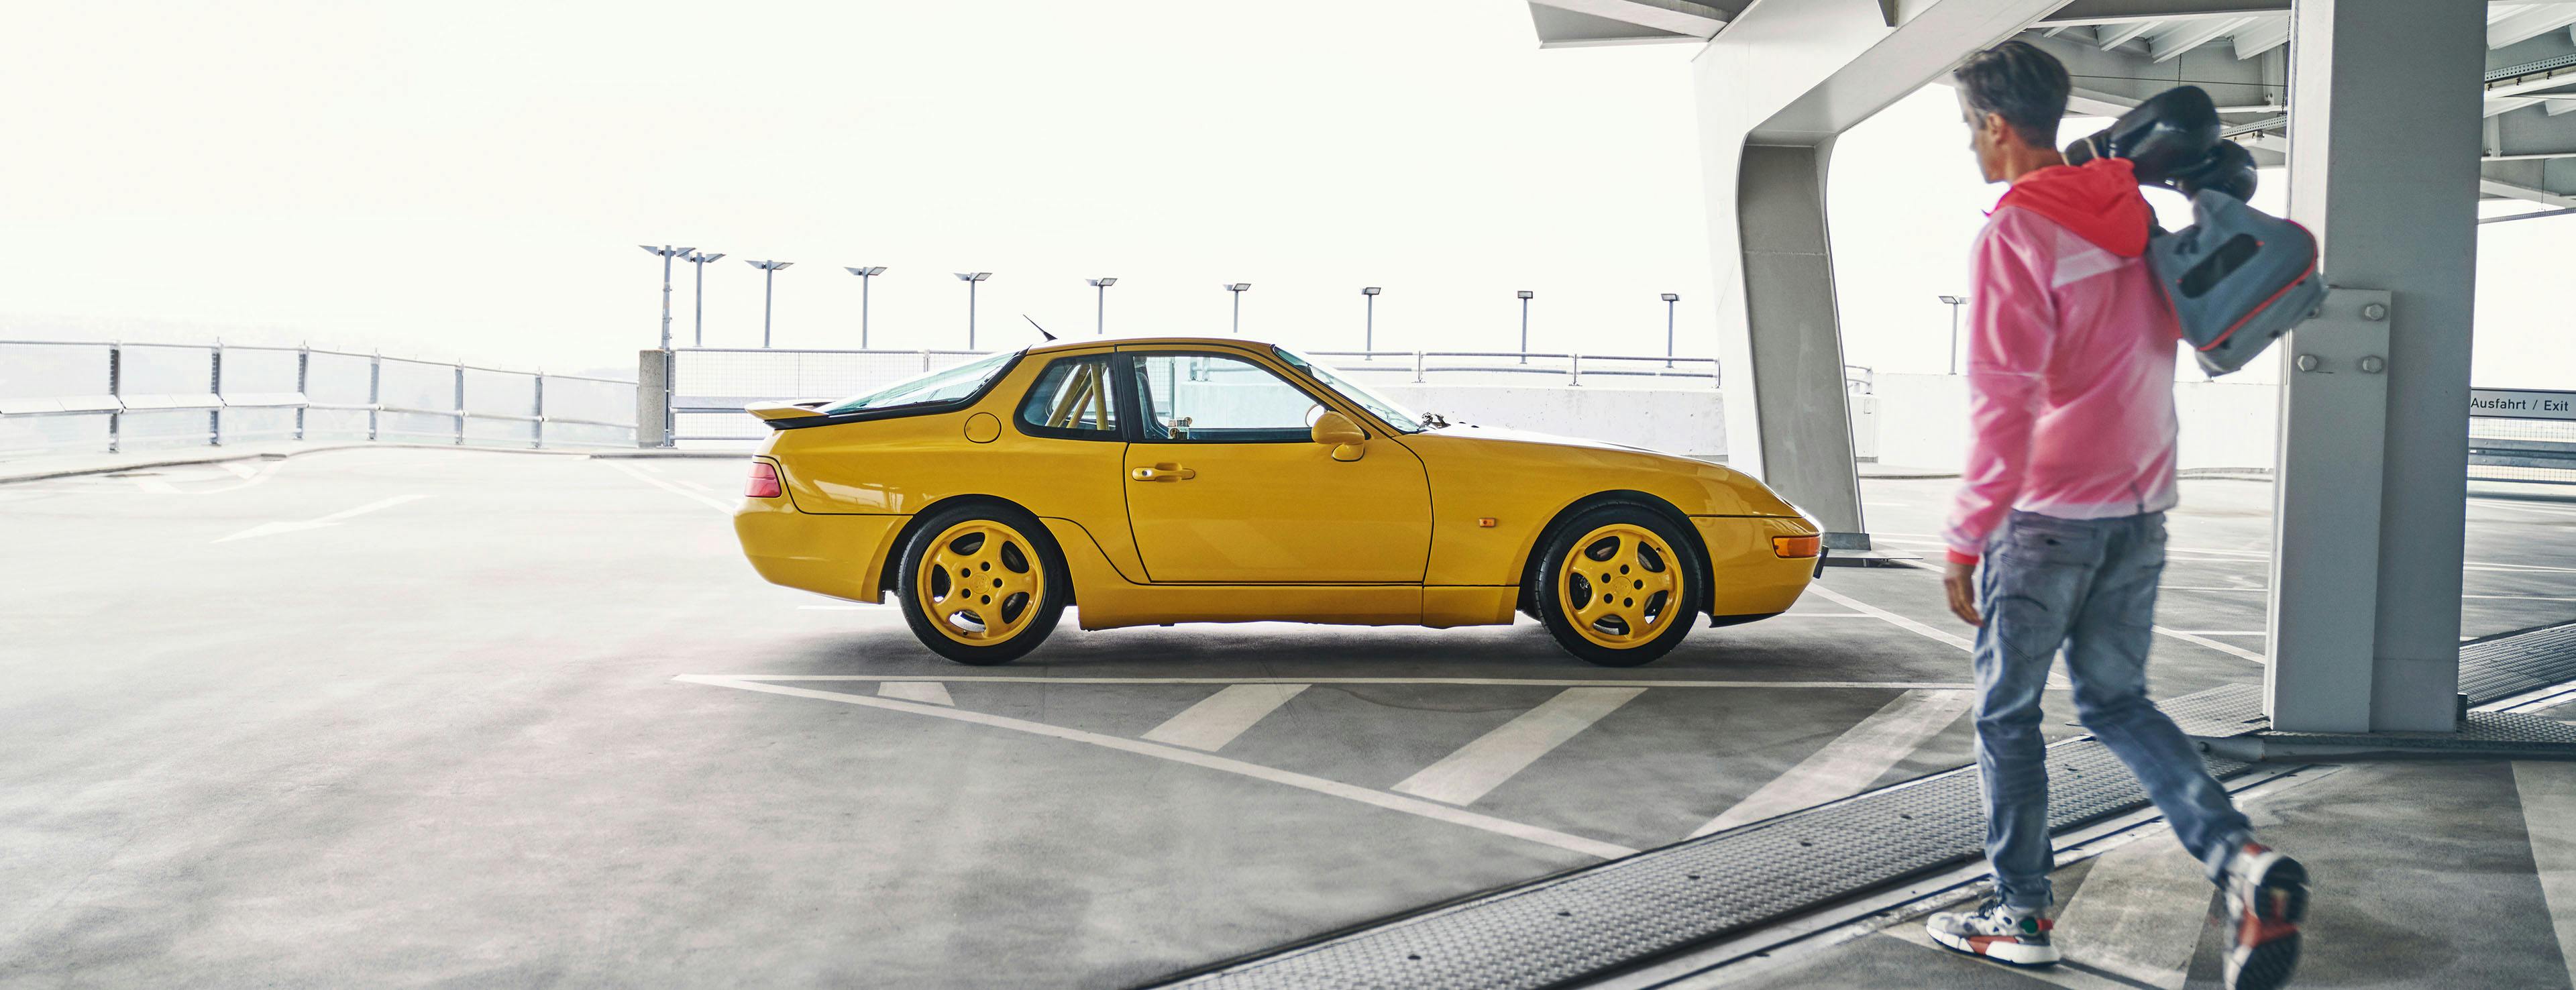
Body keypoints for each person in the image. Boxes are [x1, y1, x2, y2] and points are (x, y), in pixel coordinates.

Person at [1919, 41, 2310, 990]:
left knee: (2009, 718)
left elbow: (2004, 400)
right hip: (2140, 507)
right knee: (2118, 702)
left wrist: (1967, 532)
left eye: (1970, 130)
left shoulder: (2014, 233)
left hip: (2047, 519)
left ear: (1995, 127)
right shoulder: (2128, 212)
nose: (1971, 148)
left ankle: (2018, 914)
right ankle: (2242, 865)